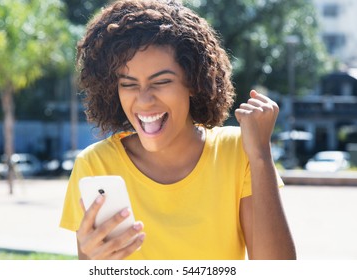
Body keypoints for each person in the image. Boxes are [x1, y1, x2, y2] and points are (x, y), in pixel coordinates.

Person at [60, 0, 296, 260]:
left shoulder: (239, 152)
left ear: (193, 82)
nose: (144, 99)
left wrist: (261, 155)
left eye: (161, 81)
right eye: (129, 84)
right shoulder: (95, 165)